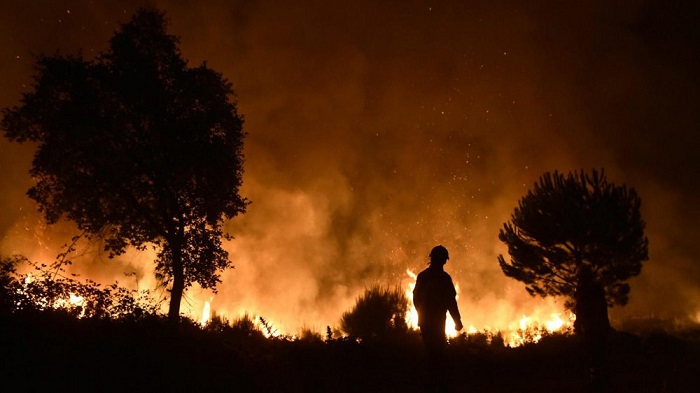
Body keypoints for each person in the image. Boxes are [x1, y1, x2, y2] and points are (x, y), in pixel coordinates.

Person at [413, 245, 463, 391]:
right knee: (437, 353)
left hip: (426, 322)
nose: (444, 262)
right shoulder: (444, 278)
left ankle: (431, 383)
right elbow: (450, 302)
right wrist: (457, 321)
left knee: (431, 352)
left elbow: (415, 298)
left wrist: (421, 315)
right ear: (442, 260)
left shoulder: (423, 276)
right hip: (437, 321)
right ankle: (436, 384)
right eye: (443, 259)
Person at [574, 264, 610, 390]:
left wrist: (578, 324)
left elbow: (581, 309)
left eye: (579, 277)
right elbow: (603, 308)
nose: (578, 280)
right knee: (599, 353)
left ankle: (596, 382)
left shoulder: (583, 290)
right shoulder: (597, 289)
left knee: (592, 354)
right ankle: (602, 379)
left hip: (591, 327)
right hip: (600, 326)